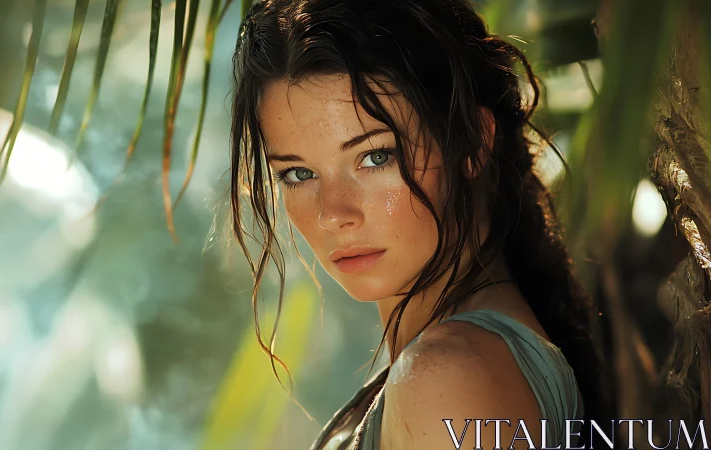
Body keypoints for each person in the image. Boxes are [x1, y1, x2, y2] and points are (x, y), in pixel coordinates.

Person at [228, 1, 615, 449]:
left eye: (375, 157)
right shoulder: (461, 363)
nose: (334, 213)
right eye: (298, 174)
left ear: (471, 142)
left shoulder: (446, 380)